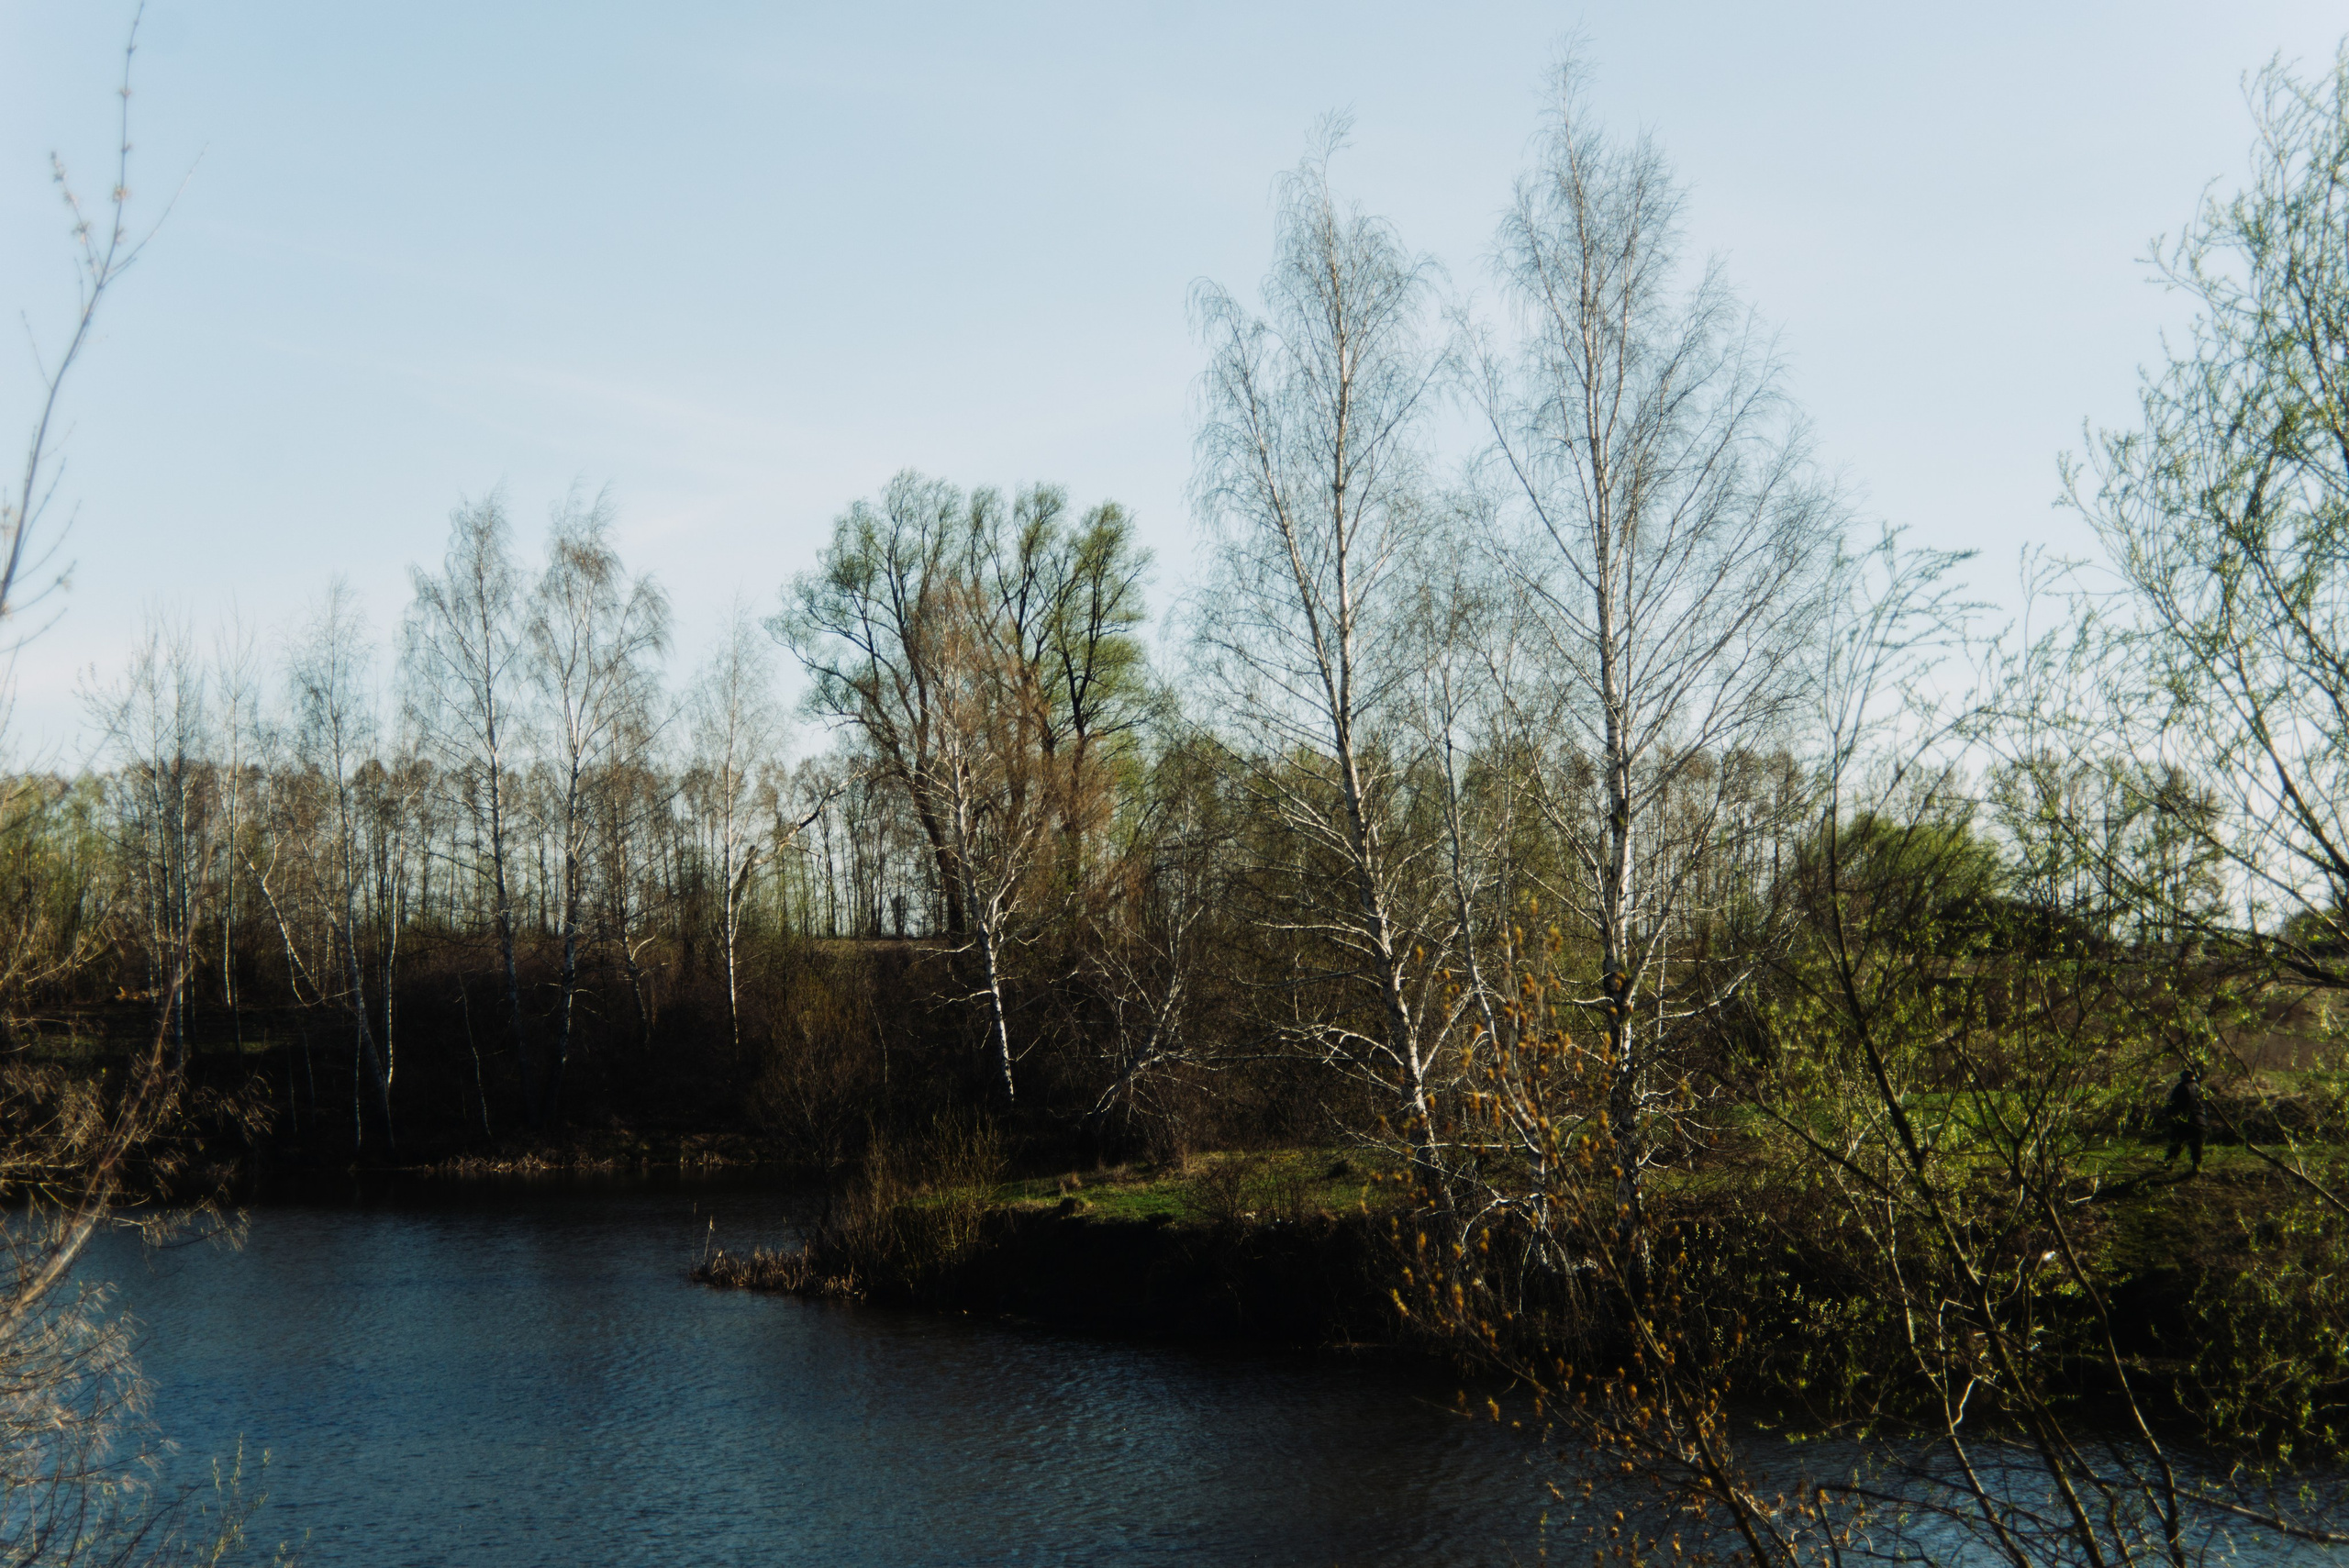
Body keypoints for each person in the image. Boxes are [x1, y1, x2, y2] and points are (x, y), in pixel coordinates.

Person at [2163, 1064, 2207, 1175]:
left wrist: (2169, 1116)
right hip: (2199, 1121)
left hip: (2185, 1121)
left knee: (2176, 1143)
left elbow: (2174, 1104)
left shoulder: (2181, 1087)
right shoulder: (2198, 1088)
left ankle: (2169, 1163)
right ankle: (2196, 1167)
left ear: (2183, 1077)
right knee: (2196, 1147)